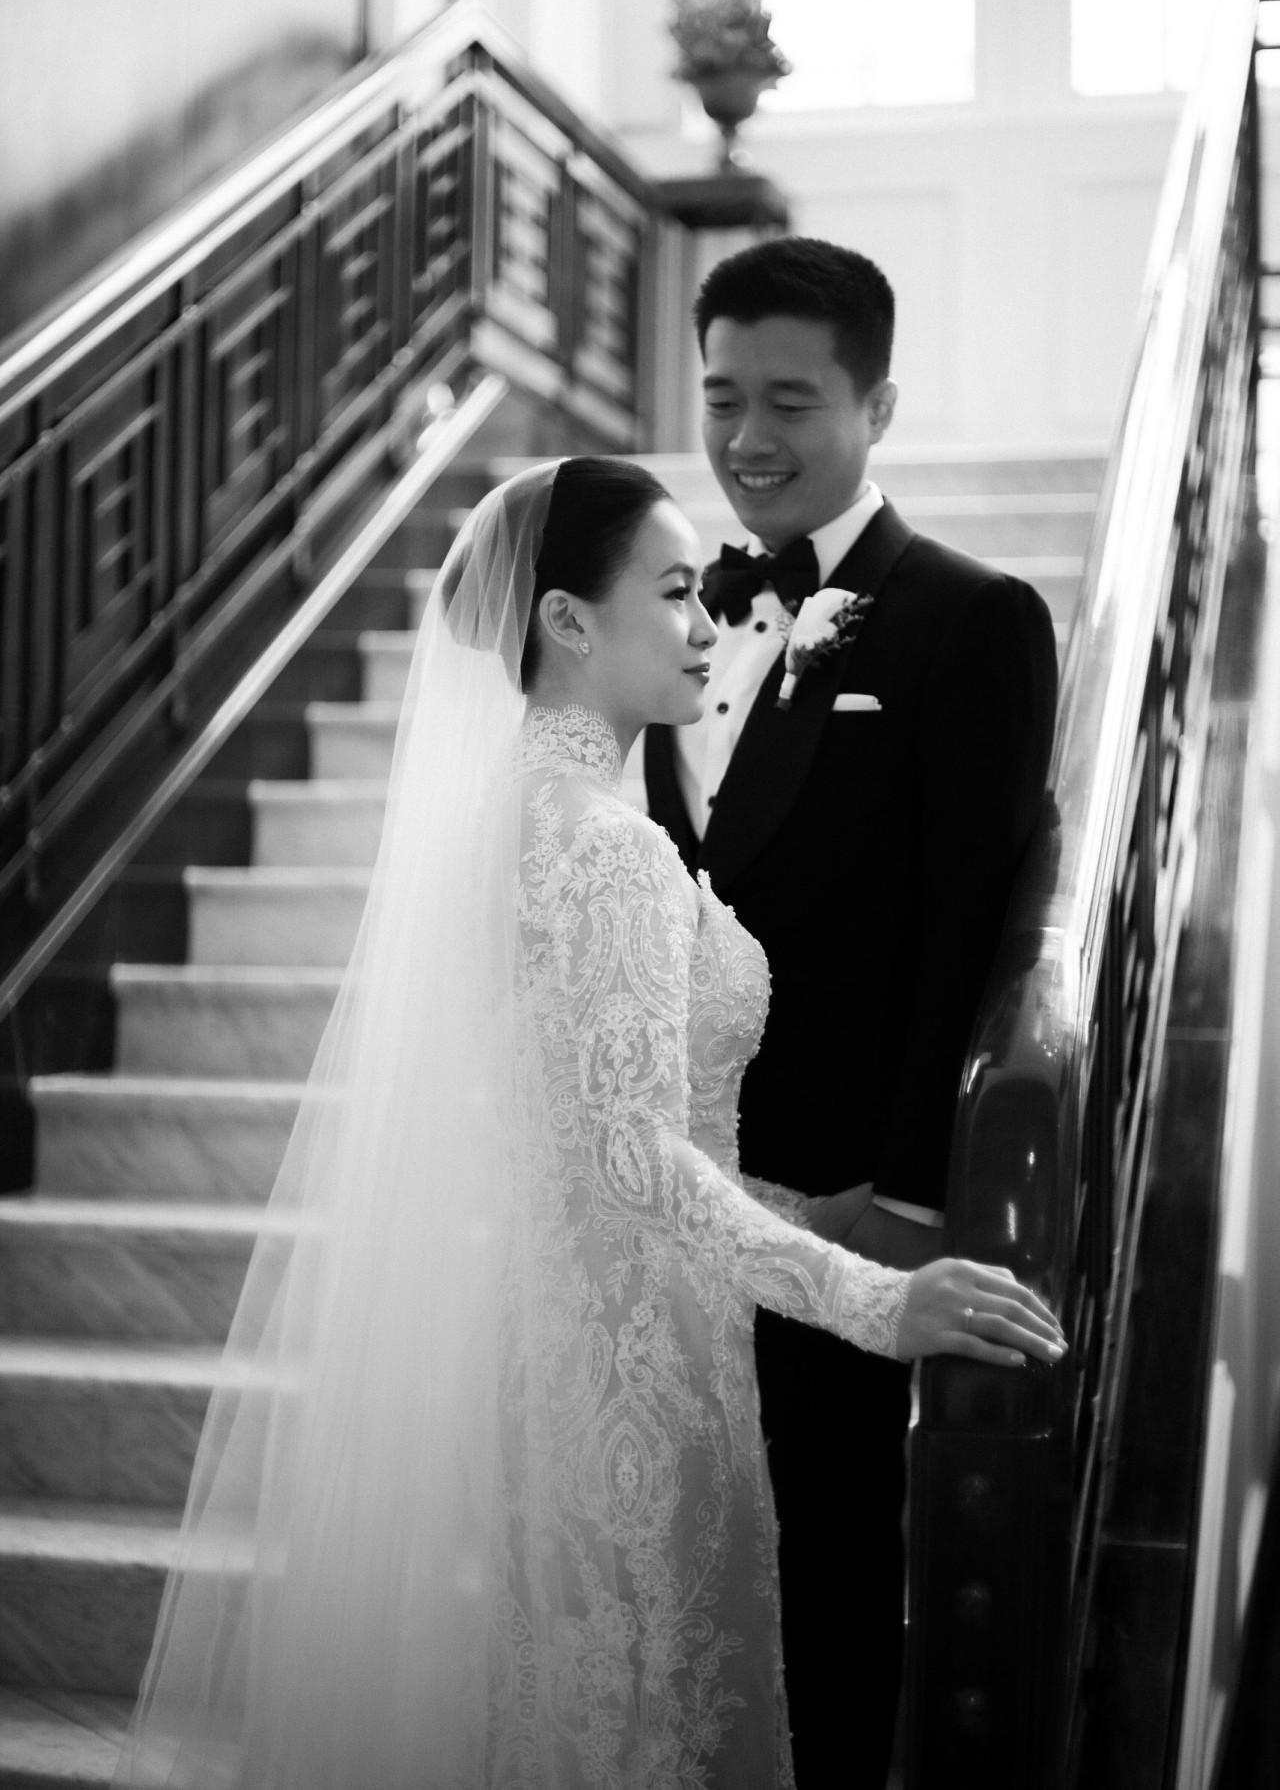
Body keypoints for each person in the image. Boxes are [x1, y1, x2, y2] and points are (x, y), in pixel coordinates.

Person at [115, 456, 1063, 1790]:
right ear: (566, 619)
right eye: (672, 593)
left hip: (555, 1359)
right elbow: (633, 1161)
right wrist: (877, 1302)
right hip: (647, 1393)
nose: (705, 623)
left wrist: (808, 1213)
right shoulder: (612, 850)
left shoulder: (506, 825)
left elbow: (577, 1147)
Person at [644, 239, 1061, 1786]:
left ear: (877, 406)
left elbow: (971, 931)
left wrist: (909, 1193)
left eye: (791, 401)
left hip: (836, 1199)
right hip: (670, 1188)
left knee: (821, 1565)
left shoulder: (971, 617)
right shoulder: (664, 612)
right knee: (671, 1566)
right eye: (721, 398)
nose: (748, 437)